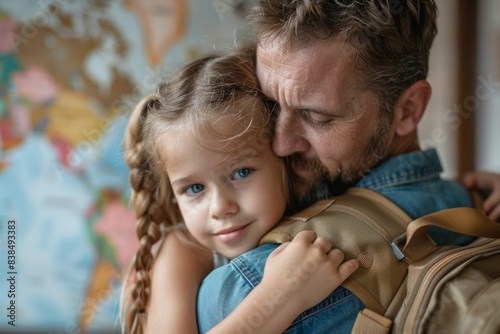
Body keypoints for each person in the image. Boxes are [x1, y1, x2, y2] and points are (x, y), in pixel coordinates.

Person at [196, 1, 500, 332]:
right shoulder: (473, 203)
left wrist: (179, 254)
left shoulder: (249, 285)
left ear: (408, 109)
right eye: (268, 107)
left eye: (317, 118)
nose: (280, 144)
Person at [120, 48, 359, 333]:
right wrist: (282, 297)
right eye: (194, 188)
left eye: (240, 173)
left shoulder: (323, 211)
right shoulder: (183, 251)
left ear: (282, 158)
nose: (220, 207)